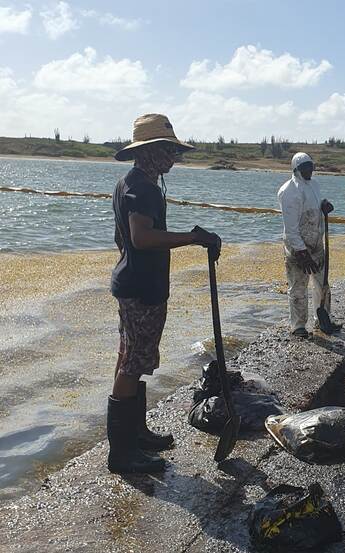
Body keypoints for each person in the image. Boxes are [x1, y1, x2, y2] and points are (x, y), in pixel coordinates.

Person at [109, 113, 221, 474]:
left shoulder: (131, 182)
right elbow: (140, 237)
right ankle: (123, 454)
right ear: (149, 152)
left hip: (134, 284)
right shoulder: (142, 189)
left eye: (175, 151)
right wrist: (192, 237)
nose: (174, 158)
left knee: (132, 359)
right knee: (131, 363)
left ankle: (136, 434)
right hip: (140, 290)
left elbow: (122, 239)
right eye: (168, 150)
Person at [277, 152, 336, 338]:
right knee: (297, 286)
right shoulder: (289, 192)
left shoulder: (314, 185)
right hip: (297, 248)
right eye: (305, 168)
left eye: (311, 166)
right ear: (296, 170)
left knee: (322, 283)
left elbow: (315, 205)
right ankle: (298, 325)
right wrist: (301, 252)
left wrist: (324, 205)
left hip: (317, 243)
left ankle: (323, 318)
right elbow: (291, 228)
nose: (310, 170)